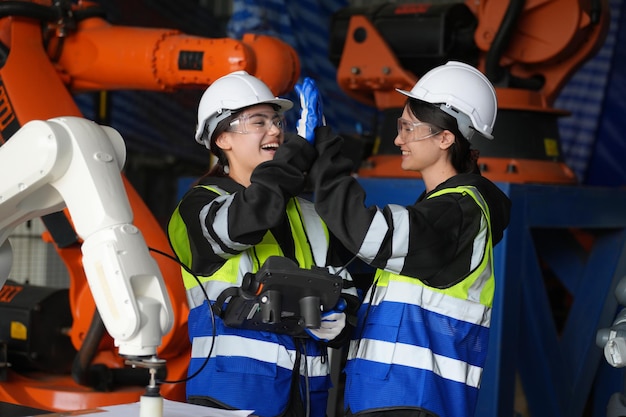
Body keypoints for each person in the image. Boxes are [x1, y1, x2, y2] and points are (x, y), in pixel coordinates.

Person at [301, 61, 512, 417]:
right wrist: (348, 321)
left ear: (446, 138)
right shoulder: (440, 212)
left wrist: (323, 154)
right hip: (390, 400)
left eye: (409, 127)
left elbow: (368, 234)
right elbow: (407, 318)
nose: (399, 139)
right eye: (401, 126)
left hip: (412, 403)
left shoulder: (459, 212)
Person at [167, 70, 359, 417]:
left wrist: (341, 317)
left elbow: (345, 287)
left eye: (278, 121)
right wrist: (298, 155)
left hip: (307, 396)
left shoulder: (310, 213)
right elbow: (249, 219)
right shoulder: (197, 207)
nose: (275, 131)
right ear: (222, 138)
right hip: (232, 395)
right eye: (259, 122)